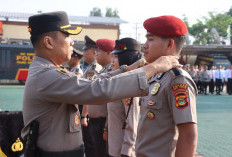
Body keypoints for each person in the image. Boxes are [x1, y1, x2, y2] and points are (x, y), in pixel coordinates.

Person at [21, 11, 181, 157]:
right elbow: (97, 90)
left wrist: (126, 70)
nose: (71, 42)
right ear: (48, 42)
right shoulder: (46, 75)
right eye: (67, 36)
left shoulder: (49, 72)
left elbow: (92, 82)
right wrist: (153, 68)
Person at [135, 15, 198, 157]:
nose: (144, 45)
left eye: (150, 40)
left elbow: (188, 135)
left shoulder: (177, 79)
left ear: (169, 44)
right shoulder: (157, 76)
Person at [107, 38, 142, 157]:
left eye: (116, 57)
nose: (112, 61)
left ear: (126, 58)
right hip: (114, 148)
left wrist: (127, 151)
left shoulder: (129, 84)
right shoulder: (119, 80)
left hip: (122, 152)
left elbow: (132, 122)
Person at [81, 38, 115, 157]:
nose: (97, 54)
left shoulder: (110, 71)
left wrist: (106, 127)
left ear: (109, 53)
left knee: (102, 152)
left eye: (100, 51)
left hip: (103, 121)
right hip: (95, 120)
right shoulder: (104, 71)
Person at [81, 35, 102, 157]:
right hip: (88, 110)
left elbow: (89, 93)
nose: (83, 53)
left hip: (90, 112)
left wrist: (84, 115)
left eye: (86, 50)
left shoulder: (95, 69)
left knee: (91, 145)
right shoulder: (89, 67)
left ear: (94, 52)